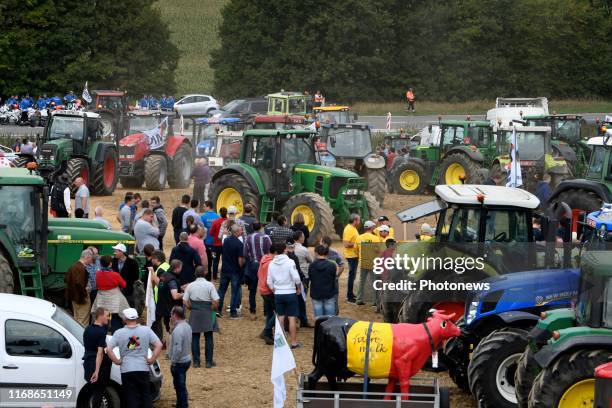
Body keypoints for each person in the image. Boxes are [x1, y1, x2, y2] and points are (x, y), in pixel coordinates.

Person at [106, 308, 163, 408]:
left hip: (126, 369)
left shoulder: (119, 333)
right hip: (143, 368)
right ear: (136, 318)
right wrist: (152, 359)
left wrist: (117, 361)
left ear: (125, 318)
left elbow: (109, 349)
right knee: (146, 395)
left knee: (131, 397)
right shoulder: (146, 330)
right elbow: (159, 345)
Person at [267, 242, 301, 349]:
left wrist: (274, 289)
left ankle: (281, 343)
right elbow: (296, 278)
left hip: (278, 293)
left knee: (280, 317)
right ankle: (294, 342)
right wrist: (298, 287)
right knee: (291, 318)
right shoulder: (290, 262)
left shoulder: (271, 263)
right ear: (284, 250)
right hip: (290, 292)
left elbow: (269, 281)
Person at [184, 266, 219, 368]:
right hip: (207, 311)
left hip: (195, 312)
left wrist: (191, 307)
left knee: (195, 336)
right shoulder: (210, 285)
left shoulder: (190, 285)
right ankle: (208, 362)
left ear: (195, 274)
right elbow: (216, 300)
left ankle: (196, 362)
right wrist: (212, 308)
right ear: (204, 274)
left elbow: (185, 301)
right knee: (209, 336)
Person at [83, 307, 112, 408]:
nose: (108, 318)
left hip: (87, 362)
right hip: (97, 364)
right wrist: (97, 371)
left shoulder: (87, 329)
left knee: (92, 391)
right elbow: (100, 353)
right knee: (99, 392)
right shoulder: (101, 332)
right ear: (100, 316)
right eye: (106, 316)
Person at [92, 254, 129, 333]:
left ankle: (103, 337)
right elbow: (124, 284)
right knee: (116, 319)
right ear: (110, 264)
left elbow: (95, 285)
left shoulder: (98, 274)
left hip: (102, 300)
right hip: (114, 300)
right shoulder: (115, 275)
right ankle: (116, 338)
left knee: (102, 319)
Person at [244, 221, 271, 318]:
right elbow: (270, 251)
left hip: (253, 265)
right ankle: (266, 313)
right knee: (266, 289)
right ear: (260, 227)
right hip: (264, 265)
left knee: (252, 289)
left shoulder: (248, 237)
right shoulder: (266, 237)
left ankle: (252, 312)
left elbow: (245, 253)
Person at [218, 224, 244, 318]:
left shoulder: (226, 241)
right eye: (240, 230)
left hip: (225, 269)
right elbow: (240, 261)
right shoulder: (239, 244)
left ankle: (218, 309)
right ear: (236, 232)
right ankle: (233, 312)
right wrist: (243, 265)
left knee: (221, 290)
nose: (242, 232)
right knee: (235, 292)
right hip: (235, 271)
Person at [154, 260, 184, 343]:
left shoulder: (164, 275)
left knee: (167, 328)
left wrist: (181, 287)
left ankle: (166, 346)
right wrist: (184, 294)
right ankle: (170, 349)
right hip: (170, 308)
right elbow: (175, 296)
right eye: (181, 268)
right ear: (177, 268)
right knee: (170, 329)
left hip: (161, 305)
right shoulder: (172, 279)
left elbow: (164, 288)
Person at [169, 306, 192, 408]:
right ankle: (180, 403)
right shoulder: (187, 326)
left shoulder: (178, 329)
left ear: (175, 315)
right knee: (180, 385)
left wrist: (173, 362)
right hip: (186, 358)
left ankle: (183, 405)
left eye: (171, 315)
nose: (170, 317)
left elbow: (177, 348)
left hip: (180, 362)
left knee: (180, 386)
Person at [285, 238, 310, 329]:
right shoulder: (293, 257)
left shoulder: (284, 256)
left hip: (286, 283)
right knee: (301, 301)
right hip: (295, 282)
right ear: (293, 246)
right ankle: (302, 321)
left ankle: (287, 324)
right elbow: (297, 271)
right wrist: (303, 278)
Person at [355, 220, 382, 306]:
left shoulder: (359, 237)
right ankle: (375, 301)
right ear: (371, 228)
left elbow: (355, 250)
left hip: (363, 262)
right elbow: (378, 251)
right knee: (374, 282)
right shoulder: (375, 238)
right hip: (373, 263)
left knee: (362, 282)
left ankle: (359, 299)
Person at [65, 249, 94, 326]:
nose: (91, 261)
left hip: (74, 297)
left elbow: (66, 280)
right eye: (91, 259)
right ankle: (81, 336)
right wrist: (84, 295)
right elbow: (79, 283)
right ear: (87, 257)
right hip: (81, 297)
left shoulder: (73, 266)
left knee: (76, 317)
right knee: (83, 319)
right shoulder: (81, 268)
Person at [309, 245, 338, 317]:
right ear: (327, 253)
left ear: (316, 253)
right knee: (330, 318)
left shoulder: (311, 265)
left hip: (316, 293)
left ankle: (320, 328)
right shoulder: (332, 265)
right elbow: (334, 277)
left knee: (319, 318)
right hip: (329, 292)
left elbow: (311, 277)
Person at [257, 245, 278, 345]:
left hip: (262, 289)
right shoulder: (271, 263)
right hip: (269, 290)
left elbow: (259, 274)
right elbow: (271, 279)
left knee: (270, 312)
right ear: (275, 253)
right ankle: (267, 331)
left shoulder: (264, 259)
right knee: (279, 312)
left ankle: (266, 333)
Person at [111, 243, 140, 307]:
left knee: (128, 307)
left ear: (121, 252)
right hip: (115, 290)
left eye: (116, 251)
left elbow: (136, 277)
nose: (114, 253)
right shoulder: (113, 261)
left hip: (128, 291)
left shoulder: (132, 262)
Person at [342, 213, 360, 303]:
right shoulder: (349, 229)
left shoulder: (353, 228)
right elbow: (345, 244)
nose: (359, 222)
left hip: (354, 255)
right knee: (351, 276)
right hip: (351, 256)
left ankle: (351, 293)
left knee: (353, 276)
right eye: (359, 220)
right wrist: (357, 244)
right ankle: (349, 297)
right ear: (355, 220)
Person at [200, 201, 220, 280]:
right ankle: (214, 276)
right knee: (215, 258)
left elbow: (201, 230)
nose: (203, 208)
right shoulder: (217, 216)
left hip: (206, 243)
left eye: (204, 206)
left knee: (207, 259)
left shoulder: (203, 217)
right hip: (215, 243)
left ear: (209, 207)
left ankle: (208, 275)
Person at [209, 207, 228, 281]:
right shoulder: (229, 222)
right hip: (225, 245)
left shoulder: (215, 222)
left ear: (220, 213)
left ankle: (214, 277)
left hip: (215, 245)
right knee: (225, 261)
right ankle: (224, 276)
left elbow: (211, 233)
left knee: (215, 260)